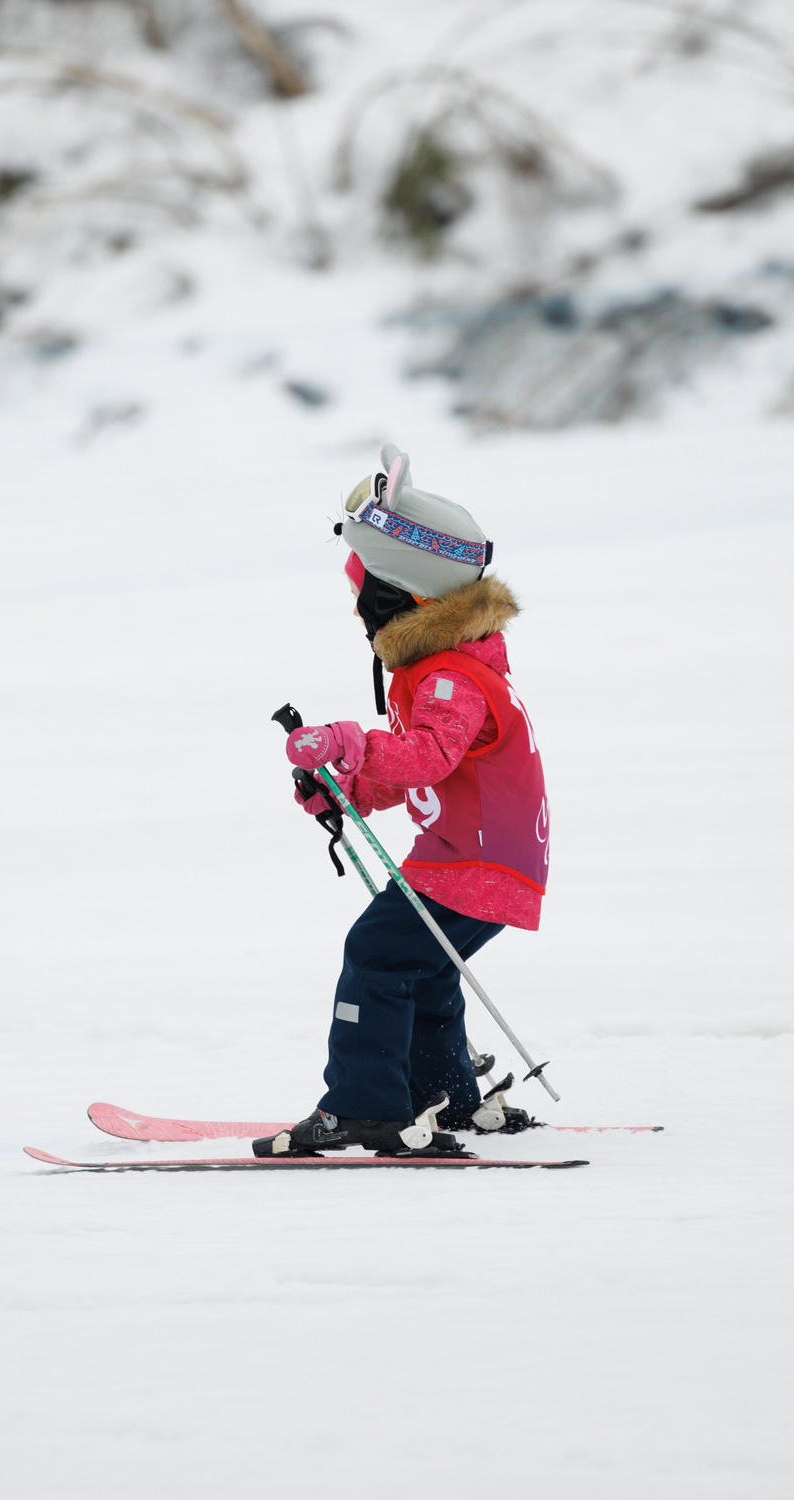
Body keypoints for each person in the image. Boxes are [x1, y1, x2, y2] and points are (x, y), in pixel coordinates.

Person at [268, 445, 549, 1157]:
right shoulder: (452, 670)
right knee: (421, 968)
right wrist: (349, 787)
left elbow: (429, 755)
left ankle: (365, 1107)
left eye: (362, 591)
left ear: (397, 597)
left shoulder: (451, 679)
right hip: (479, 859)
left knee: (377, 955)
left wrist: (346, 740)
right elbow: (424, 772)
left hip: (471, 864)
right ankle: (444, 1096)